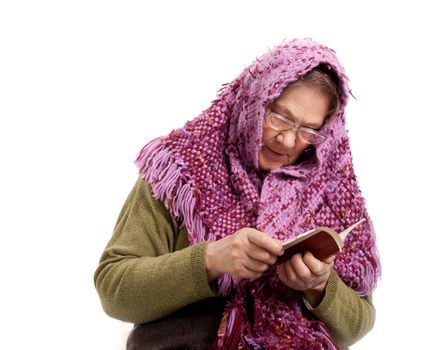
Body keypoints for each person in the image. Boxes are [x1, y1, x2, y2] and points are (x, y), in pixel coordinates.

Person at [94, 38, 381, 349]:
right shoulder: (181, 169)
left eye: (308, 130)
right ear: (254, 100)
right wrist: (210, 261)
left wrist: (319, 285)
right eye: (280, 117)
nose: (287, 141)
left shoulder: (333, 195)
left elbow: (357, 326)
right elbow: (114, 291)